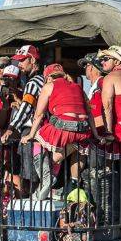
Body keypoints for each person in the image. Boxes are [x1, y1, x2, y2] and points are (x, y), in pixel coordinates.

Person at [20, 64, 98, 197]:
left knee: (36, 142)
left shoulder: (49, 86)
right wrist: (95, 134)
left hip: (63, 126)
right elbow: (90, 113)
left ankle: (46, 178)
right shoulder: (78, 87)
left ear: (49, 77)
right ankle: (58, 185)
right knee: (61, 155)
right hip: (83, 129)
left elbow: (39, 115)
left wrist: (31, 135)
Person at [1, 45, 45, 190]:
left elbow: (26, 107)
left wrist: (11, 128)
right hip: (44, 130)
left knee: (30, 170)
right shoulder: (43, 80)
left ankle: (32, 195)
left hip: (33, 130)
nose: (19, 64)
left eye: (22, 60)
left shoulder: (33, 83)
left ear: (32, 60)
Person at [78, 53, 106, 134]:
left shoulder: (102, 83)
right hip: (98, 134)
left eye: (86, 65)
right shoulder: (97, 86)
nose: (85, 69)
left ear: (92, 67)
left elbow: (107, 111)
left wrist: (89, 129)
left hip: (102, 135)